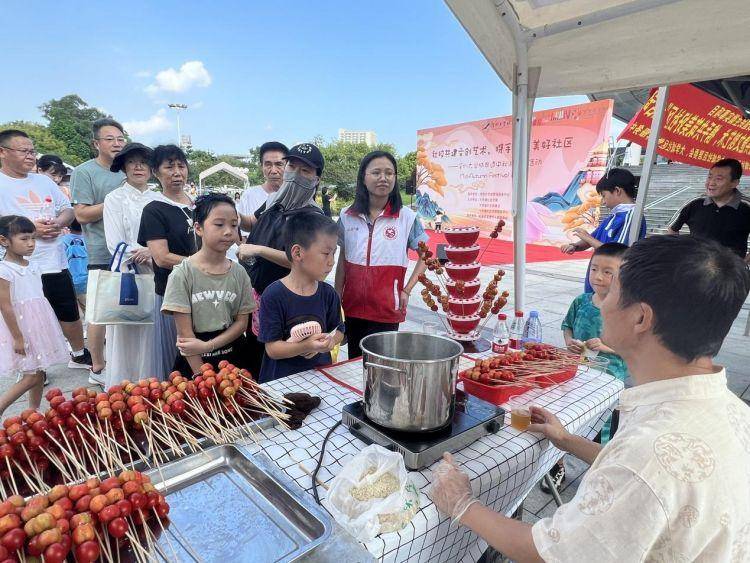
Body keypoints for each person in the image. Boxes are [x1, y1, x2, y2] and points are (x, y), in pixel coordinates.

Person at [430, 234, 750, 562]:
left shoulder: (646, 455)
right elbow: (643, 476)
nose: (601, 301)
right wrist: (567, 440)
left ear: (641, 318)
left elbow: (553, 553)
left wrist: (462, 504)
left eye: (612, 291)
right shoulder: (735, 412)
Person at [542, 242, 630, 495]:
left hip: (608, 380)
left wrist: (607, 346)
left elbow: (632, 349)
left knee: (601, 430)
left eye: (607, 272)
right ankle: (555, 466)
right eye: (594, 269)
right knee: (567, 420)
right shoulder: (581, 301)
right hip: (577, 371)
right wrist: (569, 342)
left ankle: (598, 474)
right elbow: (567, 325)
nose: (598, 277)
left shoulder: (626, 309)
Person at [0, 129, 91, 372]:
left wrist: (58, 223)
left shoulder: (43, 181)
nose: (30, 157)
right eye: (24, 151)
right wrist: (31, 230)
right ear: (3, 152)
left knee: (68, 310)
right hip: (17, 267)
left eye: (32, 151)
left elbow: (67, 210)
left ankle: (79, 354)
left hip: (53, 260)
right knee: (24, 314)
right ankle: (31, 367)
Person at [237, 143, 325, 378]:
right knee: (256, 359)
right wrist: (227, 213)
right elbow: (253, 222)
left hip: (288, 304)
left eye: (305, 171)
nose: (295, 174)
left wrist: (259, 250)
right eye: (292, 166)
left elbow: (306, 263)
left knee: (280, 365)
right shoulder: (274, 200)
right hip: (258, 296)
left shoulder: (313, 217)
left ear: (316, 179)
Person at [335, 150, 429, 359]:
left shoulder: (406, 217)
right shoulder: (347, 216)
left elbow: (426, 255)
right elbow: (342, 258)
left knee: (383, 365)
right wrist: (336, 296)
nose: (383, 178)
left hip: (387, 309)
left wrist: (406, 290)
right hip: (352, 307)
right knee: (354, 362)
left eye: (389, 173)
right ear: (363, 177)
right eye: (376, 172)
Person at [162, 194, 256, 376]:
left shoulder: (239, 273)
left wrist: (209, 345)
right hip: (194, 361)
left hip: (233, 359)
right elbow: (185, 337)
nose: (228, 231)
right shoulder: (182, 274)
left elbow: (242, 323)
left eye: (234, 225)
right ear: (198, 228)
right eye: (219, 224)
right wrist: (203, 377)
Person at [70, 118, 126, 385]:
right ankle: (98, 367)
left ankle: (120, 360)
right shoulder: (85, 172)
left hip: (130, 254)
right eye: (110, 139)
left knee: (127, 310)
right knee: (98, 314)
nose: (116, 144)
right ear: (96, 143)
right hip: (102, 254)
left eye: (120, 139)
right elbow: (81, 214)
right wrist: (114, 202)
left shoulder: (126, 170)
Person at [257, 212, 344, 383]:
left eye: (334, 253)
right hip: (281, 384)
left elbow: (339, 330)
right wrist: (307, 345)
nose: (332, 261)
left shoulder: (328, 294)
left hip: (319, 379)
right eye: (326, 253)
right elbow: (273, 349)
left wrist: (330, 341)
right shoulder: (273, 295)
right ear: (297, 253)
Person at [138, 145, 196, 381]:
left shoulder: (198, 205)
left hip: (203, 291)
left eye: (181, 166)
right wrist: (204, 265)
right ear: (156, 171)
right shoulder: (154, 209)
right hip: (173, 293)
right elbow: (161, 258)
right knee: (178, 354)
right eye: (169, 166)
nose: (176, 172)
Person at [0, 216, 69, 415]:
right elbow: (5, 306)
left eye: (33, 238)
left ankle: (33, 412)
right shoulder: (5, 270)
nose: (31, 243)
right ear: (4, 241)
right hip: (20, 327)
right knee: (30, 376)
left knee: (39, 372)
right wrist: (18, 337)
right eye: (24, 239)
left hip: (38, 326)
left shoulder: (33, 265)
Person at [103, 143, 158, 386]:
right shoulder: (115, 199)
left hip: (159, 273)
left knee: (155, 333)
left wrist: (156, 253)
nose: (138, 167)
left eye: (144, 162)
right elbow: (115, 244)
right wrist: (147, 252)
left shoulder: (159, 197)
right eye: (132, 162)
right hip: (131, 276)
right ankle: (128, 388)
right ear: (124, 167)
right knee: (130, 333)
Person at [561, 168, 646, 293]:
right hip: (598, 286)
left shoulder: (631, 216)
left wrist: (587, 237)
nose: (603, 201)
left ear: (617, 191)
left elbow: (618, 253)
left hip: (611, 289)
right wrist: (574, 246)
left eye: (604, 195)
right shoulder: (613, 216)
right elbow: (593, 239)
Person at [668, 158, 750, 263]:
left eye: (719, 179)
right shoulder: (694, 203)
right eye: (710, 177)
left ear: (734, 183)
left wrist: (744, 262)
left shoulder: (746, 207)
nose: (711, 183)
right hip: (695, 268)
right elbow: (672, 229)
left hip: (729, 273)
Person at [237, 141, 289, 234]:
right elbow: (244, 229)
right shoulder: (249, 195)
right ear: (262, 167)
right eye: (268, 164)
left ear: (288, 166)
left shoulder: (294, 197)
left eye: (279, 164)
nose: (273, 170)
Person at [60, 220, 88, 317]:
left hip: (68, 281)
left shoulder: (62, 240)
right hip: (86, 281)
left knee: (72, 314)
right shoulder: (88, 240)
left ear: (69, 225)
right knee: (88, 312)